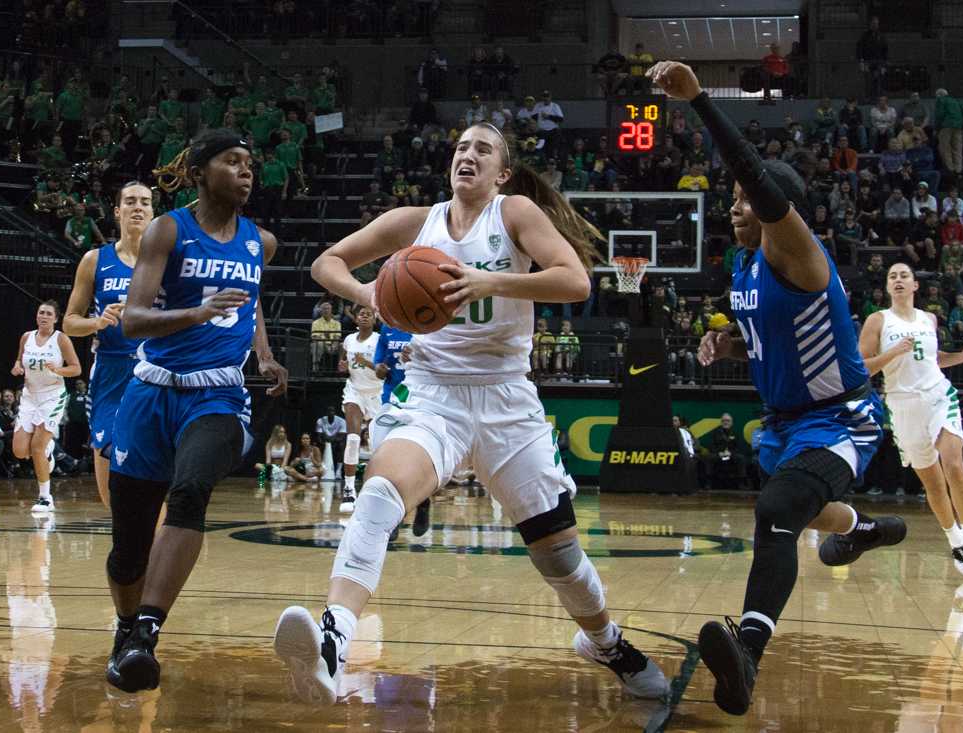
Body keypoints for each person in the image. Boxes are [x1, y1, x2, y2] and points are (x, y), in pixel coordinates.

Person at [274, 121, 668, 706]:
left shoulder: (514, 215)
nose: (467, 154)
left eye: (482, 149)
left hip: (507, 397)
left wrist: (492, 279)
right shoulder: (416, 222)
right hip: (434, 393)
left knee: (558, 552)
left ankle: (605, 641)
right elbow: (327, 263)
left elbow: (575, 280)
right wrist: (372, 296)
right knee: (381, 492)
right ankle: (335, 639)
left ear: (501, 172)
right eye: (460, 146)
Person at [649, 60, 907, 716]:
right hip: (785, 423)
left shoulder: (799, 255)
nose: (733, 204)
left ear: (770, 208)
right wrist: (727, 346)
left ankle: (749, 654)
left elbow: (761, 184)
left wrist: (699, 101)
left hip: (840, 418)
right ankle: (865, 528)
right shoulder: (742, 268)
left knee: (776, 511)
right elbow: (770, 341)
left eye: (742, 198)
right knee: (806, 512)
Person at [104, 129, 287, 693]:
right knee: (128, 546)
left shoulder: (262, 241)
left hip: (219, 394)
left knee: (189, 492)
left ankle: (146, 636)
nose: (246, 171)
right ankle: (125, 626)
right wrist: (199, 313)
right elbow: (133, 319)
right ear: (202, 171)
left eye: (249, 163)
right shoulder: (168, 229)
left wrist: (264, 353)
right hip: (152, 389)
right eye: (232, 162)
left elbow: (248, 301)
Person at [859, 263, 963, 577]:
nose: (898, 280)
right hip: (903, 404)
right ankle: (957, 543)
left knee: (954, 463)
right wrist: (892, 353)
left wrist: (959, 357)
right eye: (892, 276)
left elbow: (932, 359)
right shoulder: (878, 321)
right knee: (933, 483)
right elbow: (863, 367)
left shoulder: (929, 319)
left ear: (915, 285)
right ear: (888, 286)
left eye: (904, 275)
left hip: (937, 396)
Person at [63, 181, 154, 508]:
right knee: (107, 472)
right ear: (117, 211)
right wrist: (98, 322)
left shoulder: (167, 261)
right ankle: (128, 541)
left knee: (155, 470)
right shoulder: (94, 259)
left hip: (154, 370)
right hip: (111, 370)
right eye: (130, 201)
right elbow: (70, 323)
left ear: (153, 212)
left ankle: (154, 552)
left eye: (145, 202)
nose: (138, 207)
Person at [10, 301, 82, 513]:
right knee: (20, 451)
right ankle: (49, 451)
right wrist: (16, 367)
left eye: (48, 314)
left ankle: (44, 497)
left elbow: (76, 369)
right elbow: (19, 361)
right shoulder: (26, 337)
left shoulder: (61, 339)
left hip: (52, 396)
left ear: (56, 318)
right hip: (30, 396)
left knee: (36, 447)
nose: (43, 316)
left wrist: (59, 370)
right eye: (41, 312)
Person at [373, 324, 431, 536]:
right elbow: (378, 368)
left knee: (417, 457)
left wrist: (418, 358)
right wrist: (380, 369)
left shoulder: (427, 327)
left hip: (419, 395)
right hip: (393, 397)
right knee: (389, 460)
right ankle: (396, 513)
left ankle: (423, 503)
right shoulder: (386, 330)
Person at [337, 305, 383, 511]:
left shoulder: (379, 340)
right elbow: (342, 355)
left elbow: (384, 372)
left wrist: (366, 362)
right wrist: (342, 365)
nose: (365, 316)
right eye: (361, 314)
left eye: (369, 314)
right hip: (355, 390)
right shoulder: (348, 340)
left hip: (377, 392)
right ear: (355, 319)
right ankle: (348, 490)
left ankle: (375, 488)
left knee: (377, 444)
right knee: (353, 439)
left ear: (374, 320)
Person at [315, 405, 346, 480]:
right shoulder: (320, 421)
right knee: (318, 445)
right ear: (326, 412)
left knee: (341, 445)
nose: (331, 413)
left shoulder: (341, 421)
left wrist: (331, 440)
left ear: (335, 413)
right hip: (325, 441)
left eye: (332, 411)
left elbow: (342, 436)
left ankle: (338, 471)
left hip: (336, 442)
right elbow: (319, 436)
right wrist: (324, 442)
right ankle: (321, 469)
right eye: (329, 411)